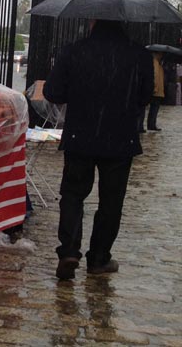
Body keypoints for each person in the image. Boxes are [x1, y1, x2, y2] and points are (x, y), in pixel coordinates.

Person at [43, 20, 153, 280]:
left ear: (92, 22)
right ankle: (99, 258)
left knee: (73, 194)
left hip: (80, 136)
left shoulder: (73, 51)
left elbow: (53, 92)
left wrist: (80, 92)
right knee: (111, 201)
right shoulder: (139, 54)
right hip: (120, 140)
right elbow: (145, 97)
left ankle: (69, 250)